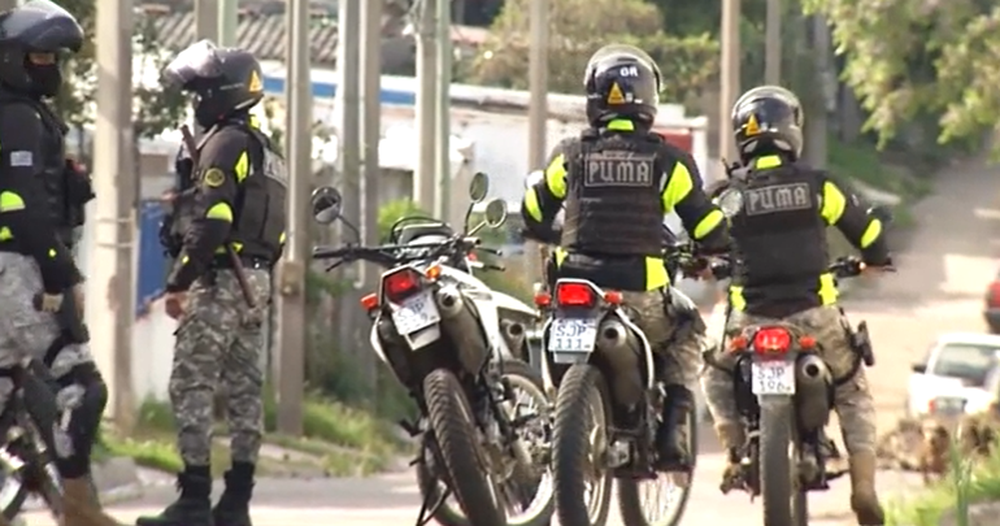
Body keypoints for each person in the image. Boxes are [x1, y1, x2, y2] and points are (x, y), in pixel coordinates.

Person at [520, 43, 729, 471]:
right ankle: (672, 434)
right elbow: (707, 228)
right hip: (638, 296)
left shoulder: (570, 154)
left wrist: (557, 233)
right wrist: (718, 246)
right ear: (649, 98)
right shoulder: (668, 161)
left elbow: (534, 213)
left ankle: (539, 424)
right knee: (687, 331)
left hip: (572, 289)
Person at [699, 85, 892, 525]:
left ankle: (734, 449)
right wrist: (875, 259)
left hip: (748, 321)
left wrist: (705, 263)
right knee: (851, 388)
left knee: (713, 369)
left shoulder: (727, 194)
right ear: (792, 131)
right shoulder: (818, 186)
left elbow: (701, 240)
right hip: (814, 318)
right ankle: (864, 488)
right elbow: (868, 233)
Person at [137, 40, 286, 526]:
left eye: (201, 92)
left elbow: (215, 220)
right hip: (256, 283)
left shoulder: (225, 144)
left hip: (223, 278)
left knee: (191, 383)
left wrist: (180, 280)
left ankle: (194, 499)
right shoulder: (268, 153)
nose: (196, 101)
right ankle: (237, 503)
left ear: (224, 93)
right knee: (245, 392)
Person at [0, 2, 116, 526]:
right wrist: (59, 272)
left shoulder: (23, 113)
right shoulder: (18, 117)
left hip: (16, 268)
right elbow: (21, 205)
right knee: (83, 389)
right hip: (20, 271)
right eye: (41, 57)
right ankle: (80, 511)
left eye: (55, 58)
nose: (51, 67)